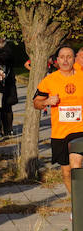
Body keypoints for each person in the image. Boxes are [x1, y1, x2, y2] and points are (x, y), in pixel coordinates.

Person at [33, 45, 83, 197]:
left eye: (69, 57)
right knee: (66, 172)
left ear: (74, 59)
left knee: (76, 164)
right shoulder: (49, 80)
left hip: (79, 129)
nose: (65, 60)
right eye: (62, 57)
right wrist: (47, 101)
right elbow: (36, 103)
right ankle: (76, 205)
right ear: (57, 60)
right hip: (59, 132)